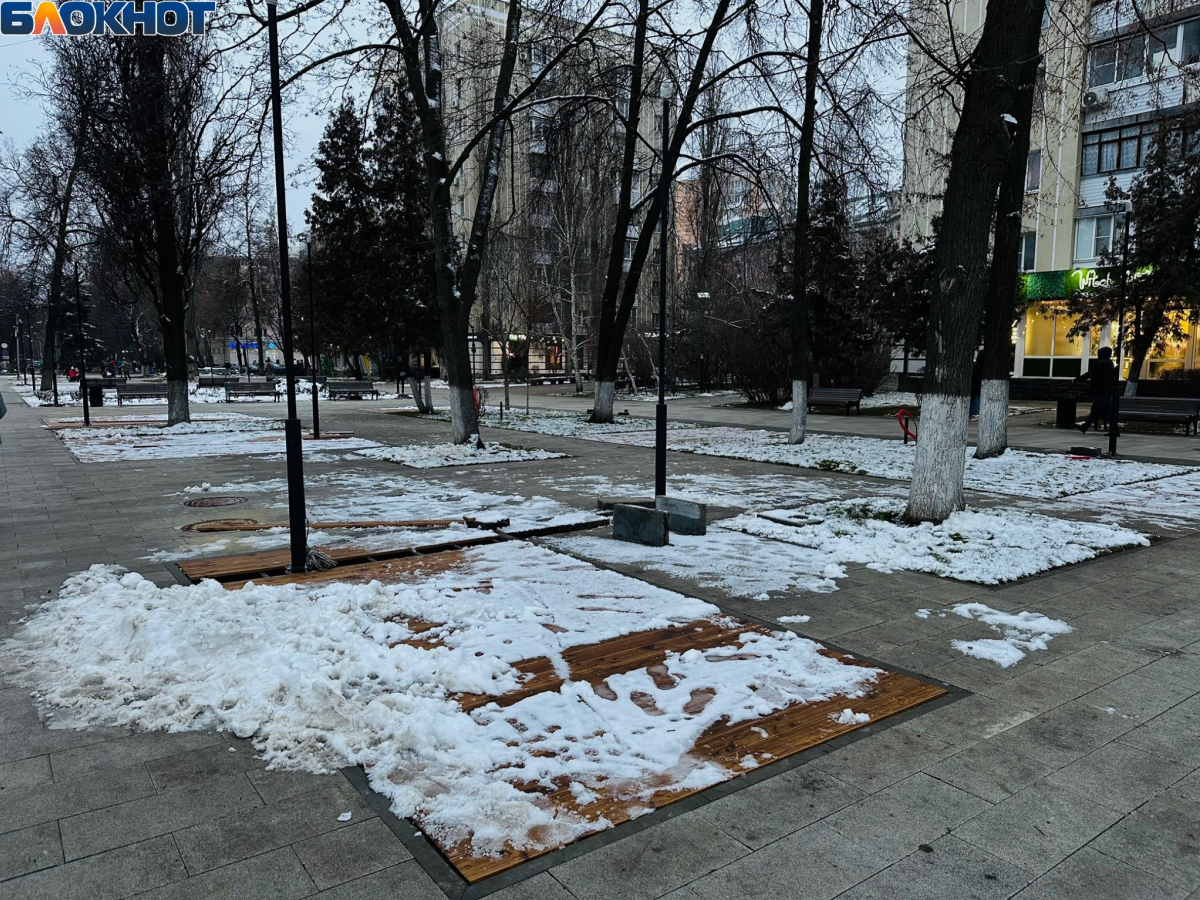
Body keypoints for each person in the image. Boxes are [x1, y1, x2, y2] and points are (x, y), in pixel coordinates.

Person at [1075, 346, 1118, 434]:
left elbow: (1091, 373)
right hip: (1105, 390)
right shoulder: (1109, 363)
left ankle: (1115, 430)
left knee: (1107, 411)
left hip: (1101, 390)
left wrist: (1078, 379)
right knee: (1095, 410)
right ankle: (1085, 426)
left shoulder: (1101, 363)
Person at [968, 355, 983, 419]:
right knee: (974, 407)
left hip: (974, 389)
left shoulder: (974, 367)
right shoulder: (979, 369)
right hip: (976, 389)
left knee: (974, 405)